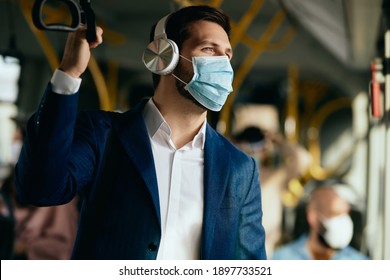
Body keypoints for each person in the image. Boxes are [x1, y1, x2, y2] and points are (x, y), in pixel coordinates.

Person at [15, 5, 266, 260]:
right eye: (209, 49)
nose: (223, 65)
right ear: (165, 56)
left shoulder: (239, 167)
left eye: (227, 55)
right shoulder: (103, 135)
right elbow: (39, 189)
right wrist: (69, 72)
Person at [231, 107, 311, 256]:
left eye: (257, 147)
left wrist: (277, 140)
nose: (252, 152)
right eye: (247, 146)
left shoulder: (275, 176)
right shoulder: (227, 173)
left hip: (265, 251)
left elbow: (304, 160)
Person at [2, 117, 79, 260]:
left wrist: (21, 247)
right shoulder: (7, 185)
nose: (14, 145)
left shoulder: (59, 193)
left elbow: (64, 246)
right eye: (14, 140)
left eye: (18, 140)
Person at [271, 181, 369, 260]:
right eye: (335, 214)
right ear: (313, 218)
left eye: (346, 214)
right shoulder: (282, 259)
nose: (343, 221)